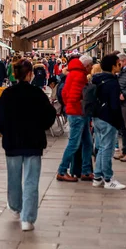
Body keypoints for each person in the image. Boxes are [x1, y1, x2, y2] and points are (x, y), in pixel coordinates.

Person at [0, 59, 56, 231]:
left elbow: (0, 118)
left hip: (13, 142)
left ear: (15, 74)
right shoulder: (37, 94)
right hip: (33, 141)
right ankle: (27, 219)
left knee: (13, 178)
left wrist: (6, 130)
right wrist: (41, 127)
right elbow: (49, 115)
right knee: (31, 180)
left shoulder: (7, 94)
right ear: (30, 74)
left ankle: (15, 207)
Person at [56, 54, 94, 183]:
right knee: (74, 144)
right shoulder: (79, 75)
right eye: (91, 66)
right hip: (78, 113)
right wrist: (78, 107)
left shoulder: (72, 73)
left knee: (88, 143)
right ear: (87, 65)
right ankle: (62, 170)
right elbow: (75, 96)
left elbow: (64, 93)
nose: (92, 68)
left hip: (75, 112)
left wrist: (68, 106)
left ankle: (86, 171)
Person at [92, 53, 126, 190]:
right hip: (108, 119)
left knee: (101, 148)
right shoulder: (112, 82)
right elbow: (114, 105)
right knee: (108, 149)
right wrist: (119, 122)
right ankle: (108, 178)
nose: (120, 66)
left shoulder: (97, 79)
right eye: (118, 64)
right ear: (113, 66)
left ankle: (97, 177)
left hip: (97, 117)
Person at [116, 53, 126, 162]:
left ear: (124, 61)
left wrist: (125, 94)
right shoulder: (121, 72)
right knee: (123, 129)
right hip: (121, 103)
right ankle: (124, 151)